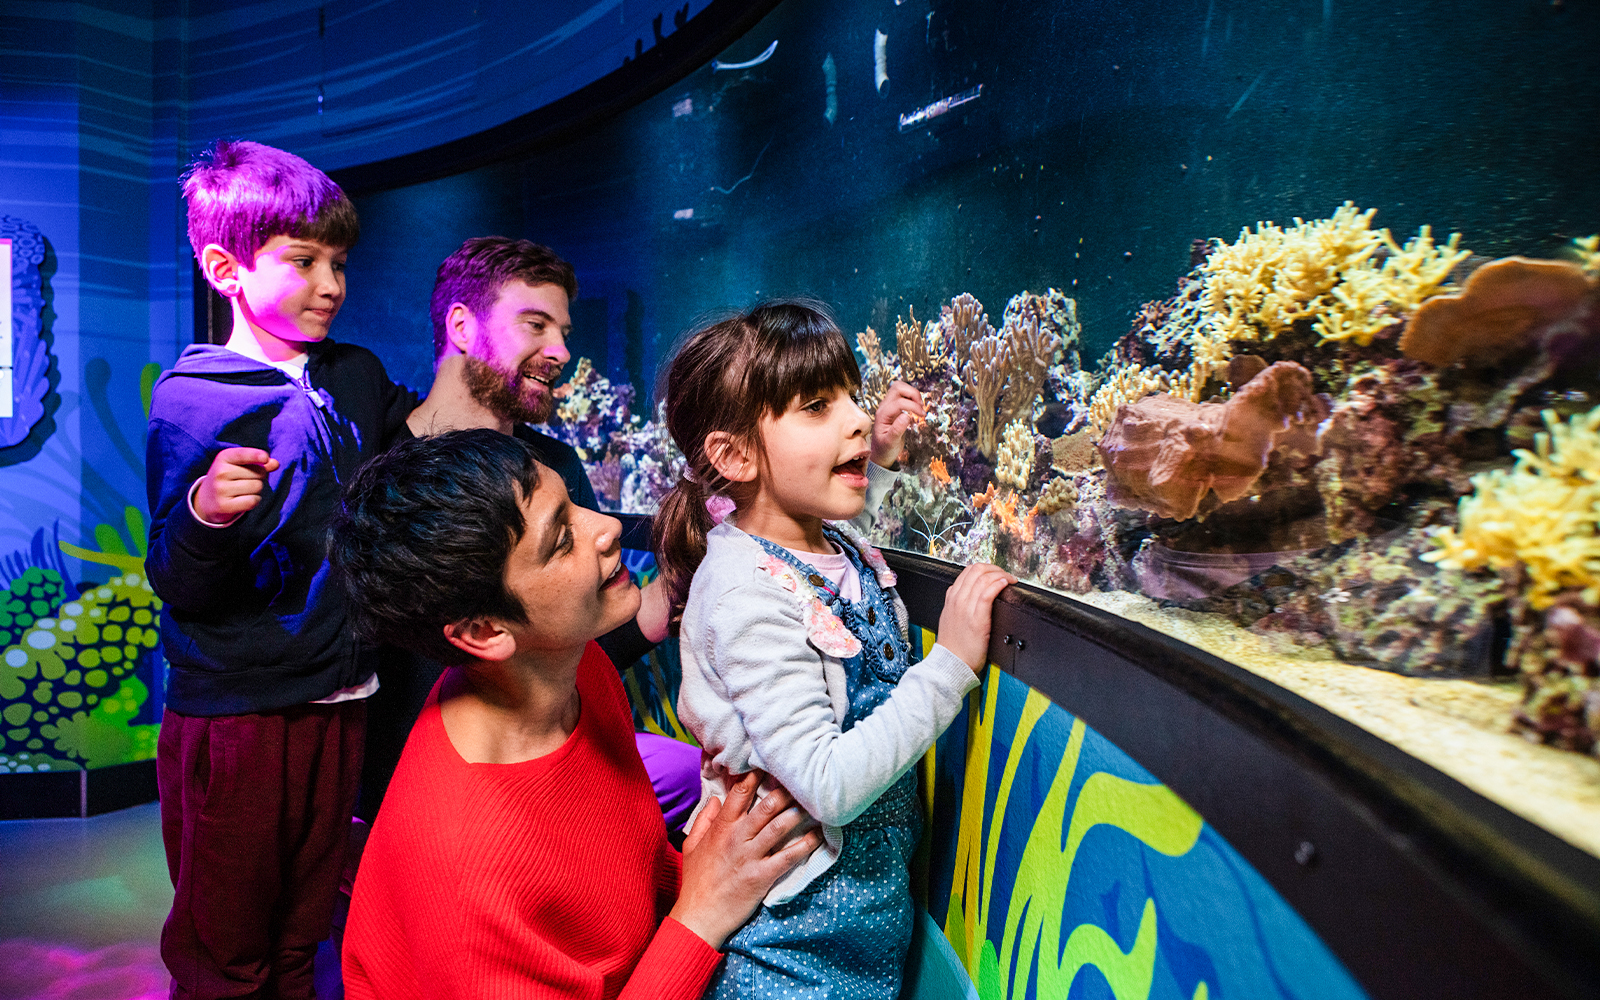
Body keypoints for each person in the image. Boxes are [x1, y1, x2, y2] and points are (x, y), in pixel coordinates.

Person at [329, 429, 823, 999]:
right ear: (485, 631)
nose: (606, 527)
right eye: (561, 539)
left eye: (572, 504)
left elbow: (617, 890)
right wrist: (701, 914)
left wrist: (699, 871)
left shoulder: (575, 666)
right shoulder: (463, 868)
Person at [655, 300, 1015, 999]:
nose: (855, 415)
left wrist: (868, 463)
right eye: (818, 406)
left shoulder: (815, 538)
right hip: (788, 949)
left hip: (863, 925)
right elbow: (826, 782)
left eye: (851, 394)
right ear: (732, 456)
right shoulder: (743, 595)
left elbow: (832, 572)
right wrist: (949, 669)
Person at [145, 140, 416, 999]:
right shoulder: (192, 400)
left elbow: (428, 435)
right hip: (240, 719)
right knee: (226, 954)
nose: (331, 284)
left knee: (306, 936)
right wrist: (205, 516)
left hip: (344, 702)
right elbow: (176, 577)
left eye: (338, 262)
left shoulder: (356, 373)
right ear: (226, 267)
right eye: (303, 261)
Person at [358, 236, 698, 830]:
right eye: (535, 324)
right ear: (461, 326)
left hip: (557, 760)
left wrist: (691, 572)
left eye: (563, 331)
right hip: (423, 793)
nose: (561, 350)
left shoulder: (558, 465)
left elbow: (584, 634)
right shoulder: (381, 470)